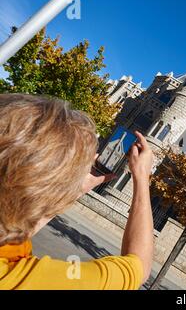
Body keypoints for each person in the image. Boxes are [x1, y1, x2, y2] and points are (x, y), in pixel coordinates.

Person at [0, 93, 154, 290]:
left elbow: (16, 226)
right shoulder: (22, 279)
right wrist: (141, 177)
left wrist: (75, 188)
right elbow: (138, 267)